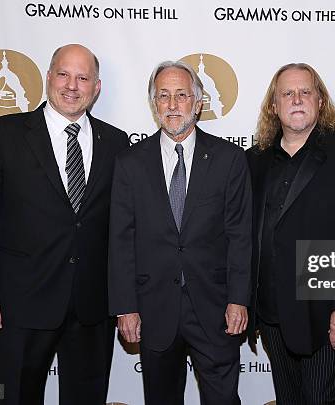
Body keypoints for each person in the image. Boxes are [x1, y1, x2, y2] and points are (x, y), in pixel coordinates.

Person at [0, 44, 129, 405]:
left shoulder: (116, 143)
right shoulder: (0, 135)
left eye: (83, 77)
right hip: (19, 304)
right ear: (48, 77)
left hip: (92, 306)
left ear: (96, 87)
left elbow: (122, 228)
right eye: (64, 74)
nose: (72, 85)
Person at [108, 60, 252, 405]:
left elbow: (240, 235)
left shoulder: (229, 159)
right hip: (154, 308)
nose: (172, 106)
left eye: (182, 95)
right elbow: (121, 240)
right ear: (154, 103)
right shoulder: (130, 163)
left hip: (215, 307)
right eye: (163, 96)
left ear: (198, 102)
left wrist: (239, 298)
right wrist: (125, 306)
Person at [246, 63, 335, 405]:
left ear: (320, 101)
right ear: (273, 106)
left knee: (321, 397)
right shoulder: (254, 161)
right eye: (287, 93)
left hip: (323, 311)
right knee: (288, 398)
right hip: (271, 311)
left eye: (305, 91)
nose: (297, 99)